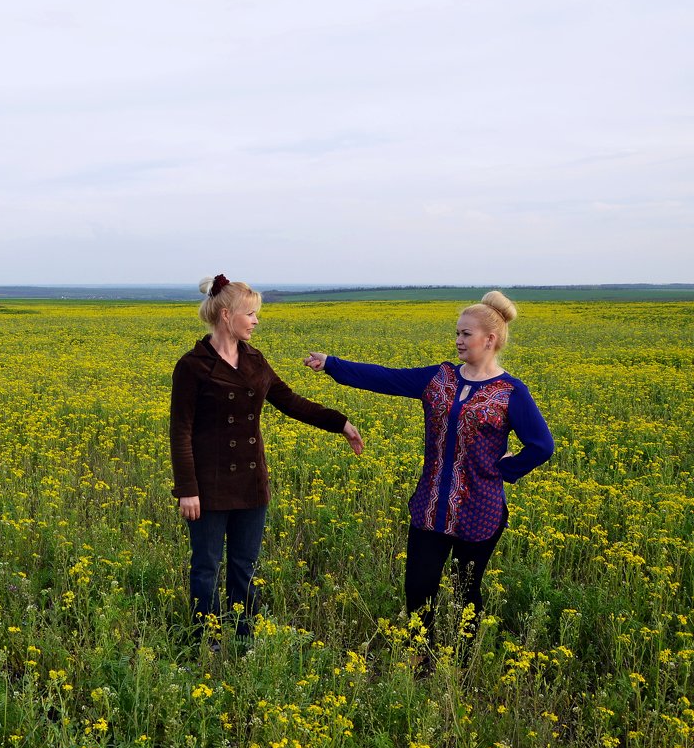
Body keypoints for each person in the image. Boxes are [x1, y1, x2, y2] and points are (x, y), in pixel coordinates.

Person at [303, 291, 554, 659]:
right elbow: (385, 378)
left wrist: (503, 469)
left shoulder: (511, 392)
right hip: (430, 505)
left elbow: (541, 445)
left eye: (466, 334)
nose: (458, 340)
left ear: (490, 339)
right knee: (418, 588)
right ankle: (419, 660)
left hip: (480, 510)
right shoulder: (439, 378)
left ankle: (464, 663)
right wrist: (332, 364)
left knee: (467, 590)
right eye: (457, 333)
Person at [170, 274, 364, 644]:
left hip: (249, 479)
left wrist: (339, 422)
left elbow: (290, 402)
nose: (257, 320)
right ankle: (204, 639)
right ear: (226, 315)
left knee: (245, 566)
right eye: (251, 313)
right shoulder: (193, 365)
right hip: (208, 485)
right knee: (206, 567)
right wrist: (187, 489)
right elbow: (180, 431)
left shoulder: (255, 361)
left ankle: (244, 636)